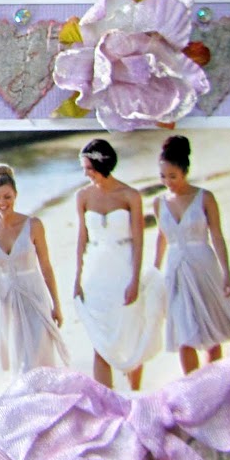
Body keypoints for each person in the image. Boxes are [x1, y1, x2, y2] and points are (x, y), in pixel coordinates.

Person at [72, 139, 166, 390]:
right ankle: (105, 399)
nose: (85, 173)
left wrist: (135, 280)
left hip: (123, 269)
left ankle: (134, 395)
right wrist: (77, 279)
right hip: (95, 274)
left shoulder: (130, 195)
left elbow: (138, 241)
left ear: (102, 164)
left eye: (88, 168)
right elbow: (82, 239)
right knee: (100, 341)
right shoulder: (82, 196)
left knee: (132, 334)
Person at [152, 135, 230, 374]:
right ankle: (191, 385)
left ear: (185, 171)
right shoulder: (159, 202)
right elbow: (162, 237)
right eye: (163, 176)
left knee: (211, 329)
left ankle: (213, 380)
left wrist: (227, 274)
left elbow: (218, 237)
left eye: (173, 176)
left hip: (203, 265)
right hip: (175, 269)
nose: (168, 182)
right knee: (184, 333)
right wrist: (154, 271)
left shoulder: (205, 197)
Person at [0, 165, 68, 375]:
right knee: (20, 365)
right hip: (8, 303)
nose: (2, 203)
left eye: (7, 197)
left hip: (35, 298)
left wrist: (56, 305)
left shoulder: (33, 225)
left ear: (16, 195)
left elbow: (46, 266)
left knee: (39, 361)